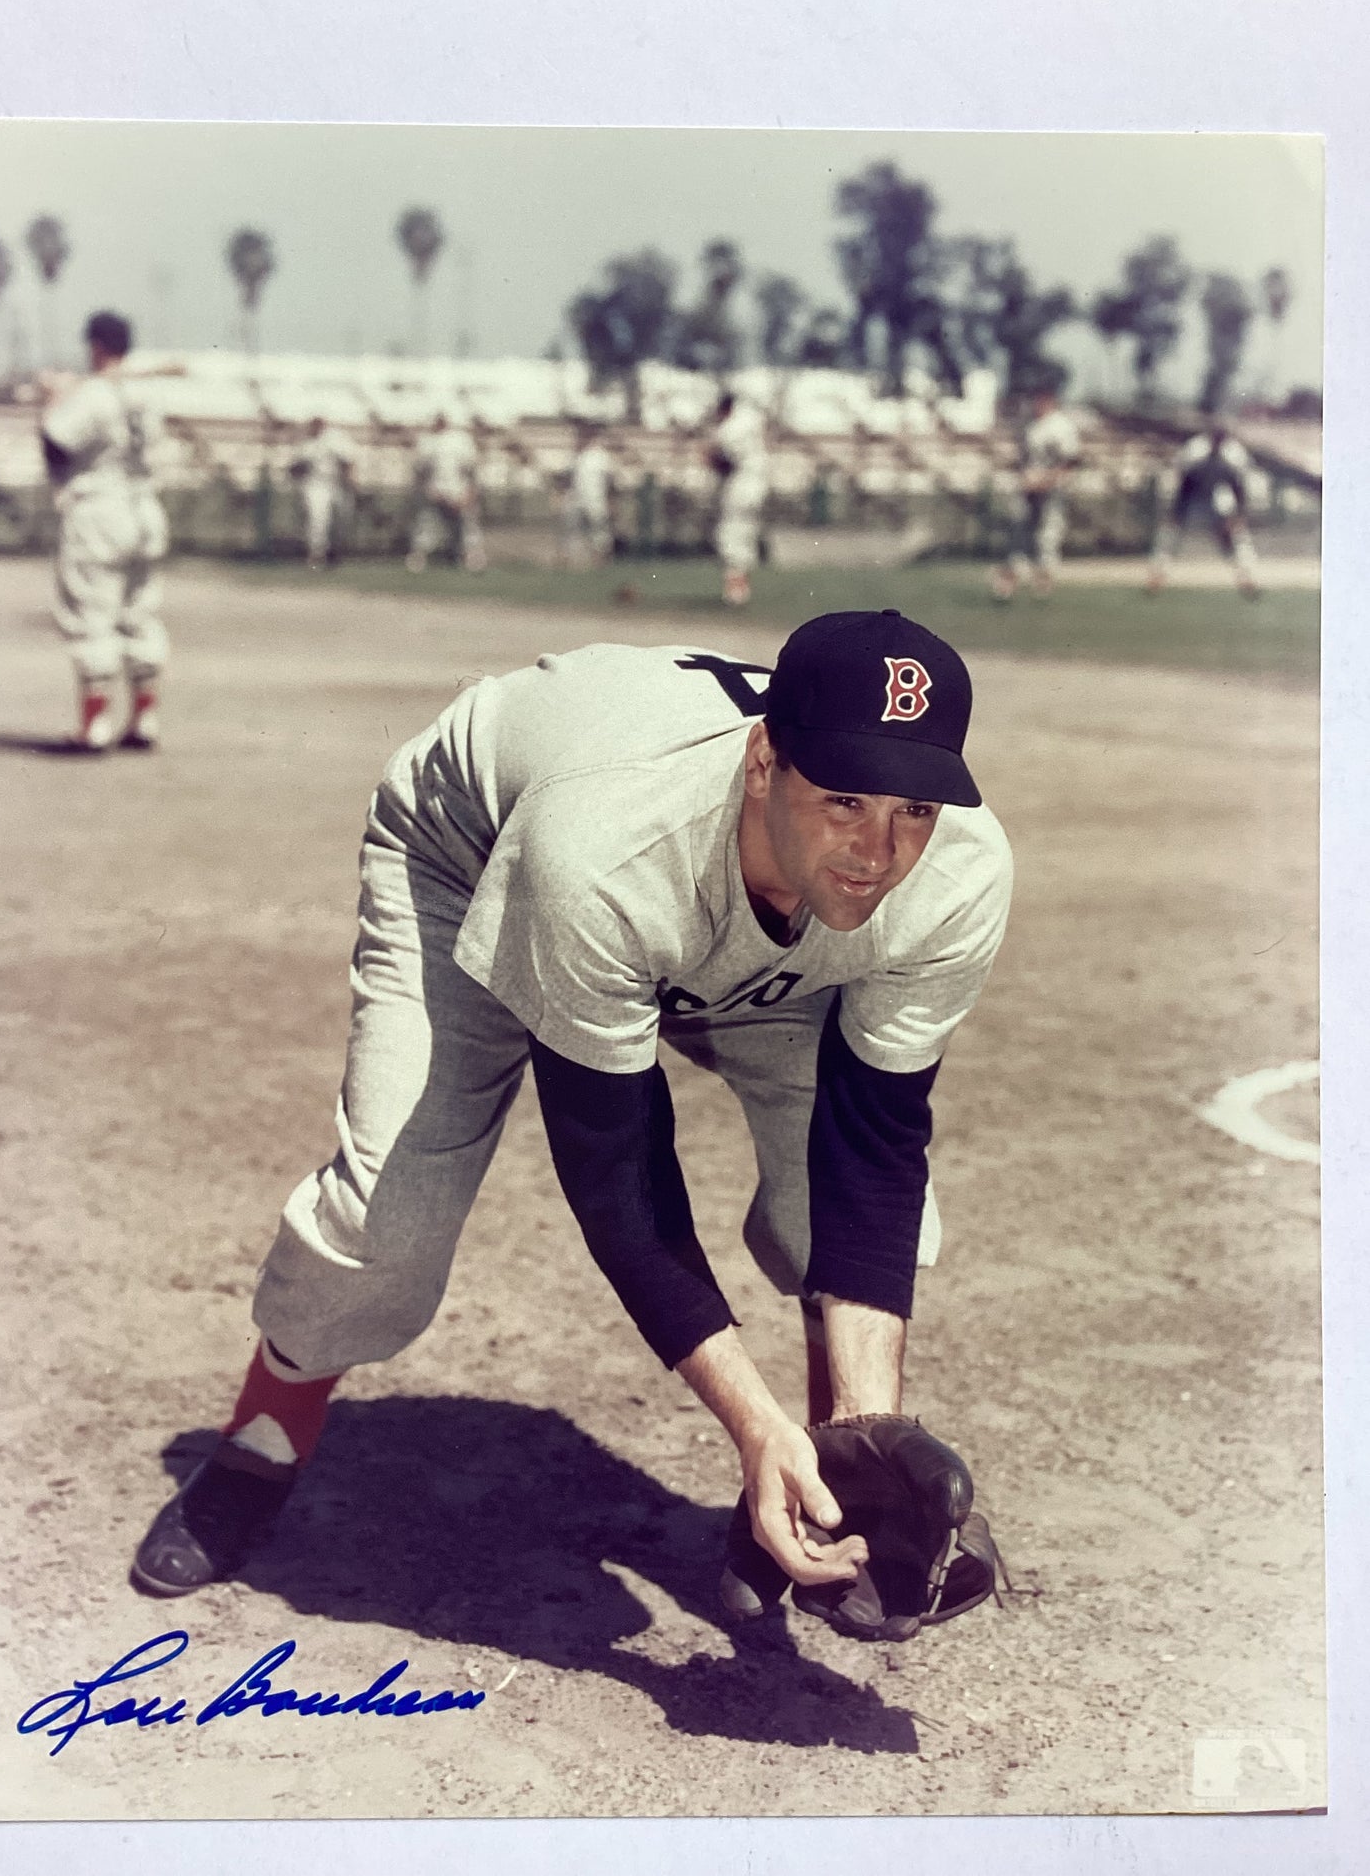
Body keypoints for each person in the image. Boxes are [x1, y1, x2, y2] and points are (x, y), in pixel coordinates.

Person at [131, 609, 1013, 1624]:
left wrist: (864, 1423)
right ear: (765, 758)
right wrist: (747, 1422)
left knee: (851, 1227)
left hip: (727, 909)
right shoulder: (599, 844)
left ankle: (826, 1489)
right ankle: (260, 1443)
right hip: (472, 856)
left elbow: (873, 1149)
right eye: (845, 798)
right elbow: (617, 1169)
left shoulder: (954, 877)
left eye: (913, 808)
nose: (877, 848)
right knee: (388, 1230)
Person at [40, 312, 170, 751]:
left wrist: (54, 399)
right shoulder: (144, 392)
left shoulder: (94, 393)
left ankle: (95, 727)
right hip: (143, 508)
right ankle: (145, 719)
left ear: (96, 345)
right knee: (139, 612)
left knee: (92, 612)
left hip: (100, 509)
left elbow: (56, 444)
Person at [1146, 421, 1261, 598]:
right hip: (1191, 496)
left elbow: (1239, 487)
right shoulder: (1194, 450)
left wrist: (1237, 516)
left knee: (1237, 538)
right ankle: (1157, 576)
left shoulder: (1235, 453)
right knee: (1169, 534)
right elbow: (1184, 483)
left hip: (1219, 496)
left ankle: (1247, 579)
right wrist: (1176, 512)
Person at [991, 387, 1081, 601]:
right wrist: (1024, 475)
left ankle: (1043, 587)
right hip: (1028, 487)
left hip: (1052, 490)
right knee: (1018, 533)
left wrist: (1046, 480)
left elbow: (1071, 461)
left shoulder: (1061, 426)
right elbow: (1024, 459)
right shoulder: (1030, 426)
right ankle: (1009, 583)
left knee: (1047, 538)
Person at [708, 392, 771, 607]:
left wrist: (709, 458)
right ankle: (742, 588)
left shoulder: (728, 429)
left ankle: (735, 590)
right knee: (745, 535)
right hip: (758, 484)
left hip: (740, 485)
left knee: (728, 536)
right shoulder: (751, 420)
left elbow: (724, 463)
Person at [406, 413, 486, 573]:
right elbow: (421, 472)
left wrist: (468, 494)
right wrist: (430, 491)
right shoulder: (426, 441)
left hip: (459, 490)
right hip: (435, 490)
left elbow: (470, 470)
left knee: (468, 528)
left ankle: (473, 560)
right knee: (426, 527)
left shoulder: (462, 439)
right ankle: (418, 559)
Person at [290, 417, 354, 568]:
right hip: (315, 483)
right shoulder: (305, 443)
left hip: (336, 482)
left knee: (341, 519)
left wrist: (349, 481)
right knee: (318, 519)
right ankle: (316, 555)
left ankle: (334, 552)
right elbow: (296, 467)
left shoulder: (335, 440)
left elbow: (348, 461)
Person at [561, 422, 617, 568]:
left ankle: (600, 558)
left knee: (599, 528)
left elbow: (610, 480)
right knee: (571, 527)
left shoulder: (601, 455)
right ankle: (569, 559)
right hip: (576, 497)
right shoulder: (576, 456)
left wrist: (611, 500)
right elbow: (568, 477)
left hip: (596, 497)